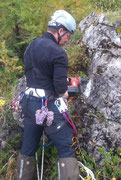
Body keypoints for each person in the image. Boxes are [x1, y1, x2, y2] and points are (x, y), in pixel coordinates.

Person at [16, 10, 79, 180]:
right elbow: (60, 90)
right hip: (47, 107)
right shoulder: (58, 53)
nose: (67, 40)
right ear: (60, 30)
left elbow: (39, 74)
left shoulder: (31, 46)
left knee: (28, 148)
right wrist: (69, 91)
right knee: (65, 148)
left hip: (29, 105)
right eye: (68, 35)